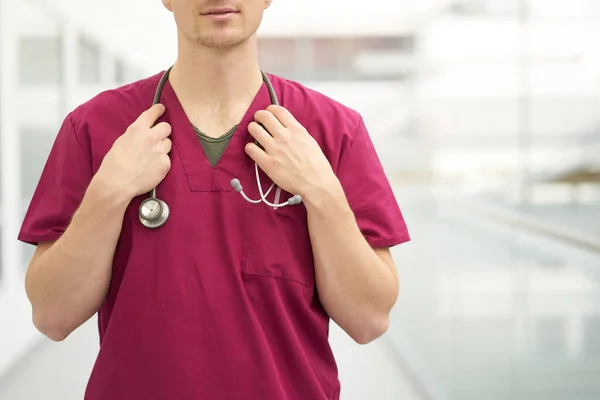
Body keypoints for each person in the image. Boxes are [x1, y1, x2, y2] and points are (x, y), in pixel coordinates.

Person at [18, 0, 410, 399]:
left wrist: (322, 193)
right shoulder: (95, 128)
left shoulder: (333, 132)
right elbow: (52, 315)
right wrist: (107, 193)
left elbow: (370, 319)